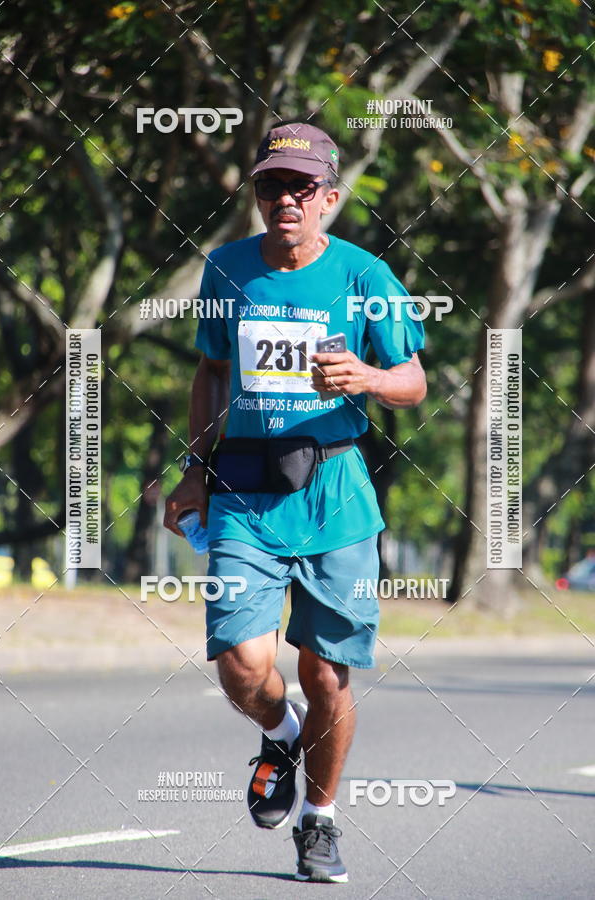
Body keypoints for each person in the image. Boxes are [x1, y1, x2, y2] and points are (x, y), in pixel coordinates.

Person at [164, 122, 426, 883]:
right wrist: (191, 468)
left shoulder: (365, 276)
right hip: (244, 487)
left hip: (336, 491)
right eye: (273, 185)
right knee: (244, 667)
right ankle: (280, 735)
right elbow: (213, 372)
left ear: (329, 199)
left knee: (327, 671)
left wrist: (369, 380)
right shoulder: (227, 270)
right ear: (256, 195)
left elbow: (410, 380)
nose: (286, 198)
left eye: (301, 187)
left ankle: (319, 821)